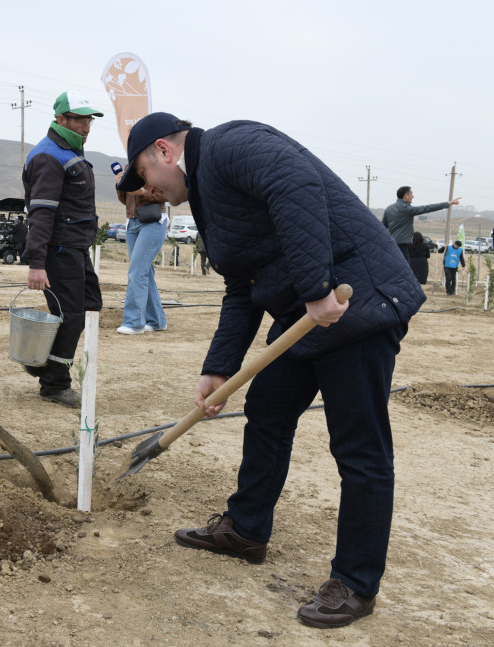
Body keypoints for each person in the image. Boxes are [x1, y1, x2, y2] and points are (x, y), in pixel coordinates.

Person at [117, 112, 425, 628]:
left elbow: (296, 184)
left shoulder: (233, 144)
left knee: (359, 447)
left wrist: (314, 288)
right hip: (310, 320)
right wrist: (218, 368)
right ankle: (247, 529)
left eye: (143, 177)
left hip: (358, 305)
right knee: (267, 410)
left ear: (163, 153)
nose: (147, 191)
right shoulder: (209, 200)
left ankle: (355, 582)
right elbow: (242, 286)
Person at [21, 91, 105, 409]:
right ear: (61, 119)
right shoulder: (49, 155)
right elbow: (41, 211)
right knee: (70, 314)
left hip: (75, 247)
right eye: (79, 119)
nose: (86, 126)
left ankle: (41, 361)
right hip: (59, 249)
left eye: (88, 120)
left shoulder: (68, 151)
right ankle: (54, 383)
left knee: (89, 305)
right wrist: (37, 262)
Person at [115, 178, 167, 334]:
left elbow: (169, 195)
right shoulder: (129, 167)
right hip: (132, 223)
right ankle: (157, 321)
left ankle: (134, 322)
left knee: (137, 271)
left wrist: (144, 193)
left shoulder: (155, 167)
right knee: (145, 272)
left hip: (152, 220)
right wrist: (120, 185)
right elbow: (125, 200)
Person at [383, 186, 460, 262]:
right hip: (403, 245)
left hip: (391, 244)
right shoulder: (406, 209)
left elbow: (382, 227)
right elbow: (427, 208)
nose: (413, 196)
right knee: (404, 271)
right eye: (411, 194)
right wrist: (448, 203)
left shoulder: (388, 209)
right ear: (406, 196)